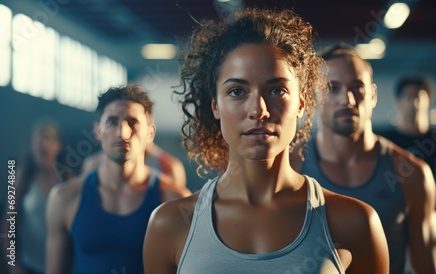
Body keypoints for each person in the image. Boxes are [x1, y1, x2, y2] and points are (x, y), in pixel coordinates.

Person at [143, 8, 389, 274]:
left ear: (301, 103)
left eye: (276, 90)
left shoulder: (353, 221)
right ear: (215, 106)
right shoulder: (169, 225)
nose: (258, 110)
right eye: (237, 91)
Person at [295, 44, 436, 274]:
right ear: (312, 97)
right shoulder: (290, 166)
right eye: (332, 88)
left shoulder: (412, 174)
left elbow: (428, 269)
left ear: (372, 95)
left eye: (357, 88)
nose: (348, 100)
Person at [45, 84, 191, 274]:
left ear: (150, 133)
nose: (123, 133)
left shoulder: (175, 199)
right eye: (112, 122)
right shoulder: (65, 198)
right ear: (97, 131)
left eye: (132, 122)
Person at [382, 75, 436, 274]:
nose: (414, 102)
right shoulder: (385, 143)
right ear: (398, 101)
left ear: (428, 101)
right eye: (408, 96)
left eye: (419, 97)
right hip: (396, 232)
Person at [1, 117, 72, 274]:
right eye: (38, 138)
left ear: (58, 146)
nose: (42, 143)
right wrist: (14, 268)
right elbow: (7, 230)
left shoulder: (69, 182)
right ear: (31, 145)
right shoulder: (20, 179)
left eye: (48, 137)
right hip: (28, 267)